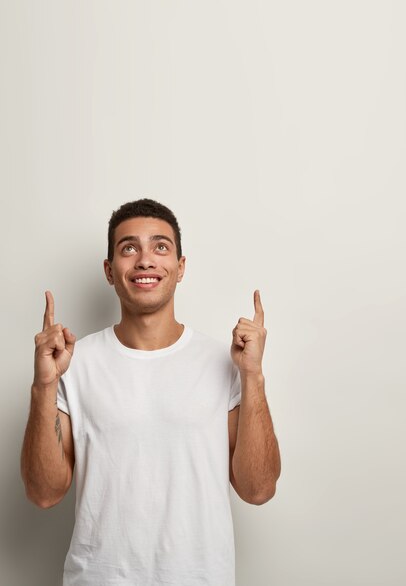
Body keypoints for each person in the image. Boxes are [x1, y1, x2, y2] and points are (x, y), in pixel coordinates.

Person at [20, 198, 281, 586]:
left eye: (161, 247)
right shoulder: (75, 363)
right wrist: (43, 386)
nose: (145, 260)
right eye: (129, 248)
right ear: (110, 271)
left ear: (181, 267)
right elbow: (44, 493)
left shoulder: (224, 361)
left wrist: (253, 376)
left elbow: (258, 490)